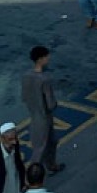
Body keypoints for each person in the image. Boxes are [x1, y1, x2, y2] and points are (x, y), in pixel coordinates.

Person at [21, 46, 64, 175]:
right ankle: (31, 177)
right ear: (40, 59)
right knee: (40, 148)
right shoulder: (44, 79)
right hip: (44, 116)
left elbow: (24, 97)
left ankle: (51, 164)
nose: (48, 59)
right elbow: (51, 104)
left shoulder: (26, 76)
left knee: (52, 141)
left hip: (34, 114)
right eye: (46, 57)